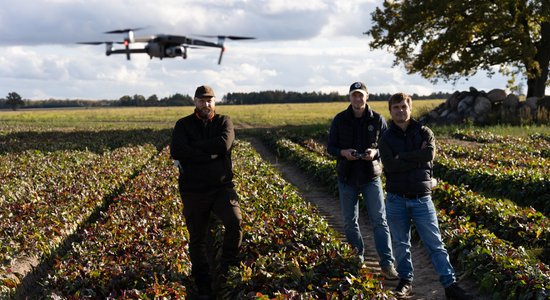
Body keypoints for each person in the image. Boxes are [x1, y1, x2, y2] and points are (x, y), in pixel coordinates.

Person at [378, 92, 472, 299]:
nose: (401, 111)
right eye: (396, 108)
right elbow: (391, 167)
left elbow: (428, 155)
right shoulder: (385, 138)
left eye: (404, 106)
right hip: (396, 199)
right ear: (390, 111)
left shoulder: (424, 132)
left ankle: (450, 286)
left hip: (422, 199)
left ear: (410, 108)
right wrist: (415, 158)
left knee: (435, 244)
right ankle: (406, 281)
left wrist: (402, 155)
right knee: (401, 245)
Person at [170, 85, 243, 299]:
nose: (206, 104)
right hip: (193, 190)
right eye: (202, 100)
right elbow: (177, 150)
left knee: (235, 222)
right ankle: (203, 283)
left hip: (222, 187)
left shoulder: (224, 122)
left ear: (215, 102)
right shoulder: (183, 125)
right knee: (197, 238)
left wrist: (195, 151)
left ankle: (226, 270)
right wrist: (208, 155)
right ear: (195, 102)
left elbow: (223, 145)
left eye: (209, 100)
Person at [327, 81, 398, 280]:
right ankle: (356, 259)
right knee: (350, 222)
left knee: (379, 221)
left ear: (367, 97)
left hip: (371, 176)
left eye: (361, 95)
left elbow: (388, 145)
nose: (358, 99)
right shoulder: (340, 119)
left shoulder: (377, 119)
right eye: (354, 95)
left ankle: (387, 263)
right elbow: (330, 147)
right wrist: (343, 152)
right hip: (347, 176)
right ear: (350, 97)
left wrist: (375, 152)